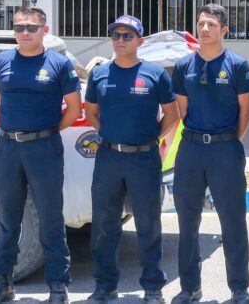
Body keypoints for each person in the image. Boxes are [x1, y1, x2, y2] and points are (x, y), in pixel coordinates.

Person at [0, 7, 81, 304]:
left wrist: (45, 132)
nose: (25, 32)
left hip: (44, 148)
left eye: (32, 27)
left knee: (51, 218)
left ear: (44, 31)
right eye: (20, 27)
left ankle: (58, 287)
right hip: (9, 148)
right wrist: (14, 129)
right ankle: (1, 283)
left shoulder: (59, 63)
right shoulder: (0, 61)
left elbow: (73, 109)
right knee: (9, 218)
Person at [83, 15, 180, 304]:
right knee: (104, 225)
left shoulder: (155, 74)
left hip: (144, 159)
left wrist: (153, 139)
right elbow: (92, 113)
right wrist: (111, 136)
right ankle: (104, 286)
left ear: (140, 40)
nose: (120, 41)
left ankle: (152, 287)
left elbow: (172, 114)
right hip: (109, 158)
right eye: (115, 35)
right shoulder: (99, 75)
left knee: (148, 225)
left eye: (127, 36)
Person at [171, 4, 249, 304]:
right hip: (191, 149)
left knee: (233, 221)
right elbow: (183, 108)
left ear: (224, 30)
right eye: (201, 23)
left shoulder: (237, 64)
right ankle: (190, 288)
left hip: (225, 150)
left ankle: (239, 289)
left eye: (211, 24)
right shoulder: (183, 66)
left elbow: (246, 110)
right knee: (187, 222)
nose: (204, 29)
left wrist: (230, 140)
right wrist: (198, 135)